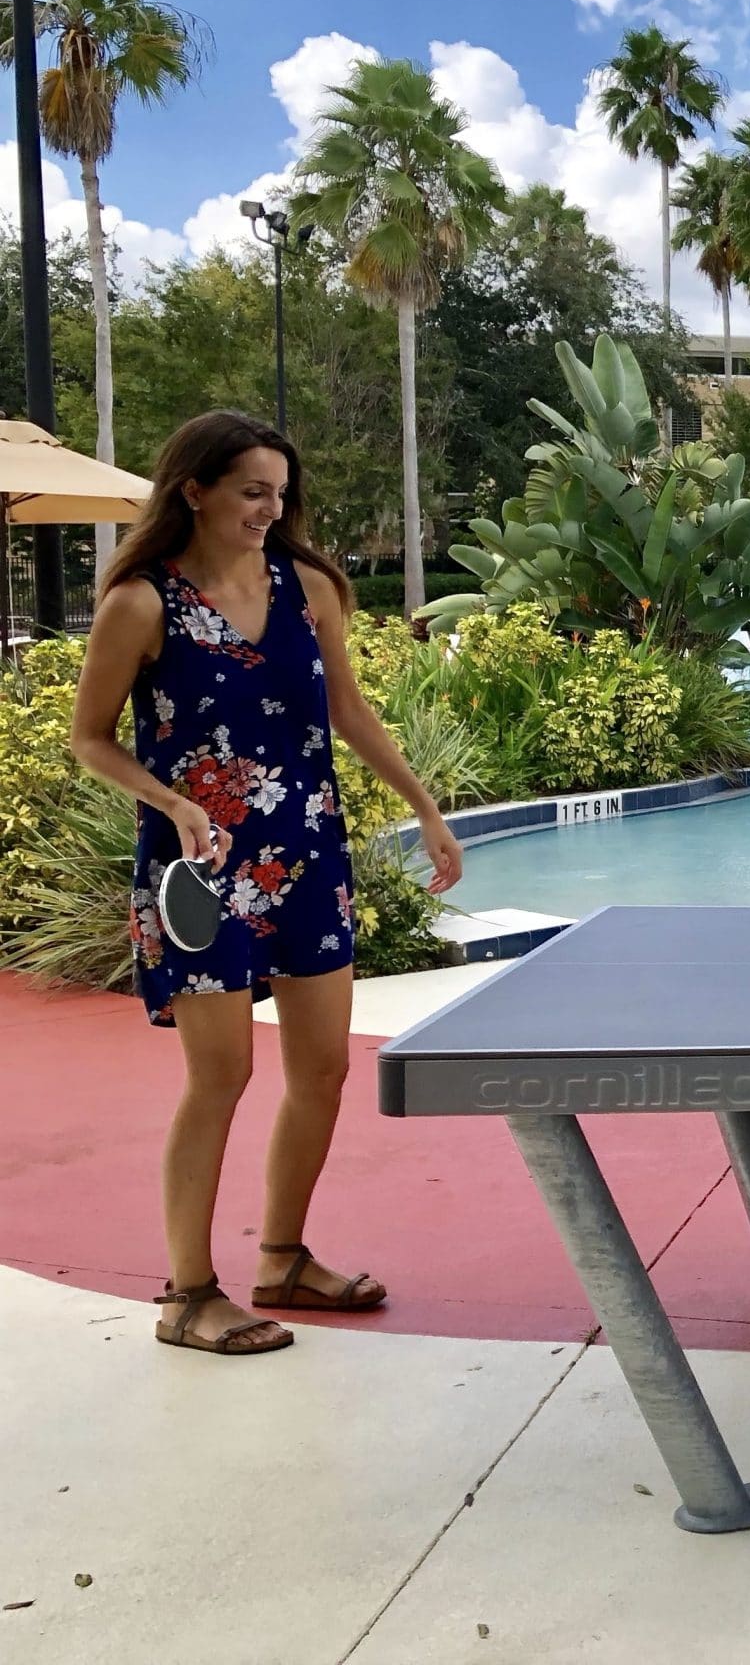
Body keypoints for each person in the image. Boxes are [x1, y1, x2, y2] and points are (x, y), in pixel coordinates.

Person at [69, 411, 464, 1357]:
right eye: (251, 490)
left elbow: (345, 708)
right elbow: (90, 740)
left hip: (307, 852)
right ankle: (187, 1293)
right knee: (222, 1076)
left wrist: (425, 806)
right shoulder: (143, 603)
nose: (269, 508)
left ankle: (283, 1258)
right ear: (194, 489)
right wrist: (168, 800)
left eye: (279, 493)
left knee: (322, 1069)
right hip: (196, 869)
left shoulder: (310, 586)